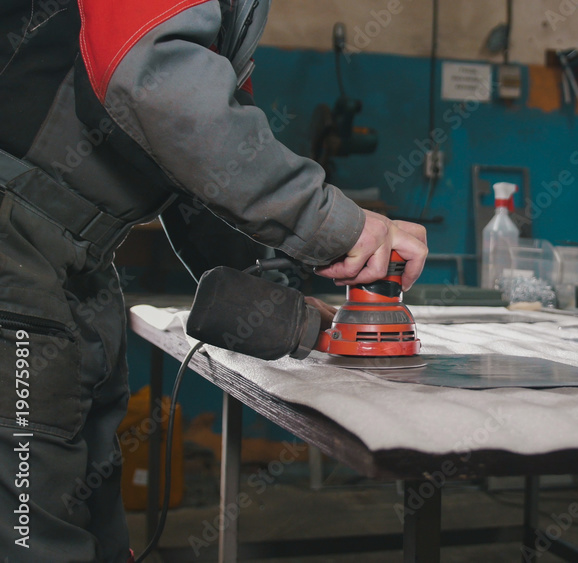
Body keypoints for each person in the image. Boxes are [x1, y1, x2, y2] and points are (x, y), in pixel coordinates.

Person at [0, 0, 427, 561]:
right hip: (16, 251)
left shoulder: (233, 16)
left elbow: (200, 176)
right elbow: (156, 84)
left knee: (90, 511)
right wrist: (342, 227)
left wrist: (282, 305)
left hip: (77, 266)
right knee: (32, 532)